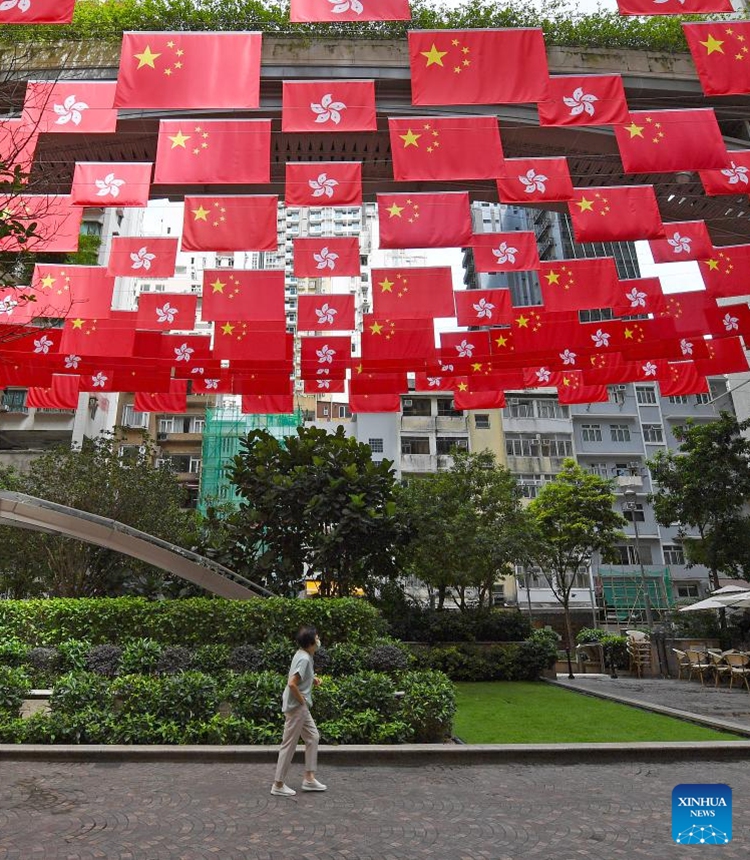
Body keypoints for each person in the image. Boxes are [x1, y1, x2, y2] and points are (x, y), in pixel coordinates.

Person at [271, 625, 327, 797]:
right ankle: (278, 784)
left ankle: (309, 779)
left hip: (300, 707)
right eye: (316, 638)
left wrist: (312, 680)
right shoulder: (304, 659)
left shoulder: (303, 655)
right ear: (310, 643)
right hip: (297, 708)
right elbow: (292, 683)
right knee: (288, 745)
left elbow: (300, 677)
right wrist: (302, 700)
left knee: (312, 737)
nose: (318, 640)